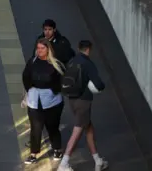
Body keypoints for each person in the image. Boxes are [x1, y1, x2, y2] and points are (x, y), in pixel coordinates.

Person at [58, 40, 108, 171]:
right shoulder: (88, 63)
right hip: (84, 101)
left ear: (78, 48)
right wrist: (102, 87)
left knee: (88, 127)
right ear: (89, 49)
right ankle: (64, 163)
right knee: (78, 129)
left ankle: (98, 160)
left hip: (72, 100)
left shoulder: (72, 61)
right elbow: (98, 83)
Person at [22, 38, 66, 165]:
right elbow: (25, 77)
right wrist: (30, 89)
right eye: (38, 48)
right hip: (35, 100)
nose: (40, 50)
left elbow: (61, 81)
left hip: (52, 101)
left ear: (48, 49)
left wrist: (53, 90)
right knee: (35, 128)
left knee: (52, 126)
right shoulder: (32, 62)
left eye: (42, 48)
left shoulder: (55, 64)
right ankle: (33, 153)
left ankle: (57, 149)